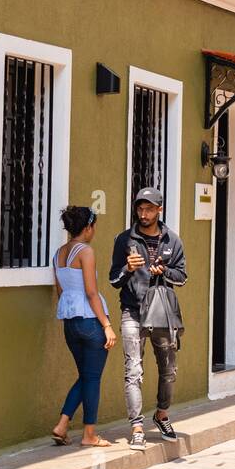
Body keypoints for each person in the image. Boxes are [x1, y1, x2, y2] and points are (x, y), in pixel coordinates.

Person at [109, 187, 187, 450]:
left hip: (163, 315)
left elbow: (183, 277)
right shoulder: (124, 240)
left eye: (149, 209)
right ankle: (137, 427)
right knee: (134, 370)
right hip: (133, 312)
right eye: (140, 209)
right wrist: (127, 269)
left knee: (169, 371)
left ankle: (162, 414)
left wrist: (164, 272)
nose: (143, 214)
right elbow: (113, 279)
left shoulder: (172, 241)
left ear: (159, 210)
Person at [51, 205, 117, 447]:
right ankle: (89, 435)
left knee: (86, 376)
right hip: (91, 322)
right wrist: (107, 325)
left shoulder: (58, 253)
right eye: (94, 226)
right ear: (88, 227)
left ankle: (62, 425)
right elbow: (91, 292)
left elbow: (61, 291)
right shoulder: (86, 252)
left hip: (71, 324)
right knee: (92, 378)